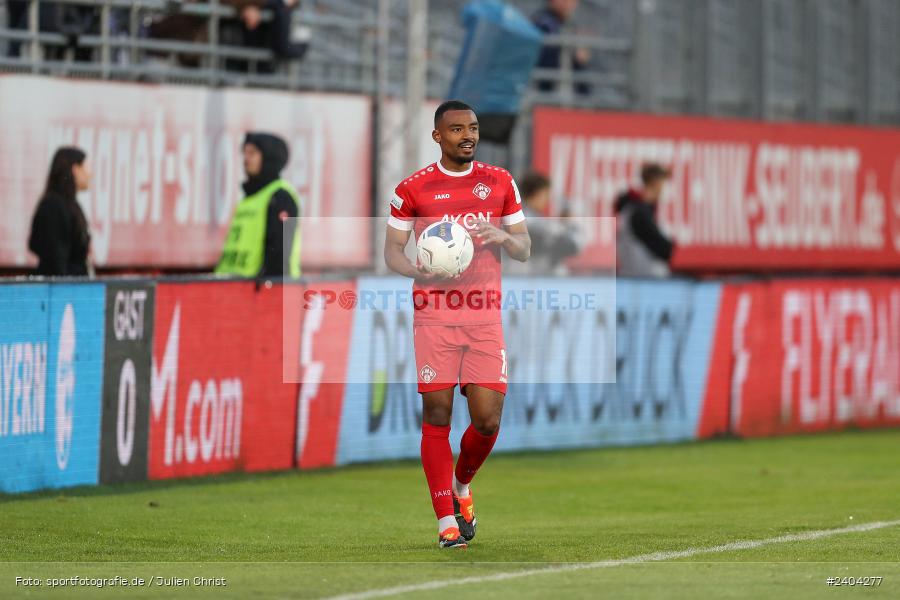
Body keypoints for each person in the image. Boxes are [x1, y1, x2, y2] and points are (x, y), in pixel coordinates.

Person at [384, 100, 531, 549]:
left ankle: (461, 485)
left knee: (487, 420)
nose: (468, 136)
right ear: (437, 136)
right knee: (437, 413)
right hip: (435, 314)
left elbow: (524, 247)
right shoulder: (413, 189)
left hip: (483, 315)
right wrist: (417, 271)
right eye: (457, 129)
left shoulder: (499, 181)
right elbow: (392, 251)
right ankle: (445, 521)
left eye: (473, 128)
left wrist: (504, 236)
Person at [216, 132, 300, 278]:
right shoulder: (248, 199)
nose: (246, 159)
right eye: (245, 153)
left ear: (268, 158)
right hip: (234, 285)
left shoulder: (280, 197)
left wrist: (270, 287)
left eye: (252, 153)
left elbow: (279, 255)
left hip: (260, 288)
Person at [28, 147, 92, 276]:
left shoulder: (70, 204)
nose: (90, 174)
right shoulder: (54, 206)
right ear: (75, 169)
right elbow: (56, 263)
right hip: (63, 287)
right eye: (86, 167)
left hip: (74, 285)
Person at [504, 171, 581, 276]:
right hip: (522, 275)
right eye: (546, 195)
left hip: (526, 275)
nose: (547, 200)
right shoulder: (524, 218)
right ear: (537, 194)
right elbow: (572, 245)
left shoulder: (529, 217)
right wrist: (569, 224)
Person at [614, 163, 676, 278]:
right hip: (641, 279)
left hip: (637, 277)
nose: (664, 190)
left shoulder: (634, 209)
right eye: (663, 184)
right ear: (655, 183)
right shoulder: (639, 214)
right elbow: (665, 250)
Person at [531, 0, 591, 96]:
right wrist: (575, 52)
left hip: (560, 86)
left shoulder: (568, 23)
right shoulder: (543, 21)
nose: (568, 3)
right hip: (542, 84)